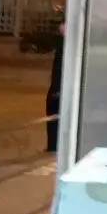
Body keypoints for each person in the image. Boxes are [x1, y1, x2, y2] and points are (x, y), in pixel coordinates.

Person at [46, 20, 64, 154]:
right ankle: (53, 144)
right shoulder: (62, 44)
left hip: (59, 87)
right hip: (58, 85)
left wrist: (57, 88)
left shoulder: (65, 46)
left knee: (54, 114)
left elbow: (59, 69)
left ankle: (54, 144)